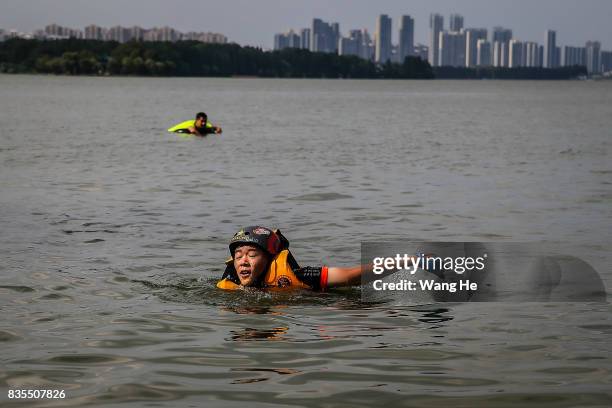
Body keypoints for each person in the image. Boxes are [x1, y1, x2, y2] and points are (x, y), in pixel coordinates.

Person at [217, 226, 364, 291]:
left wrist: (388, 264)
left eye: (252, 254)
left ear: (270, 258)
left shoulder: (299, 276)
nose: (243, 261)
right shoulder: (231, 282)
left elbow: (350, 276)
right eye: (238, 256)